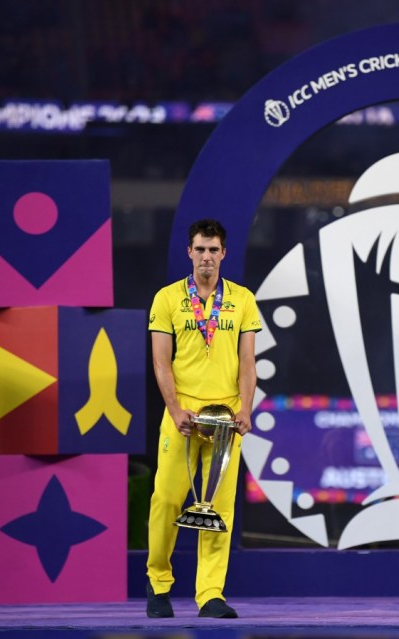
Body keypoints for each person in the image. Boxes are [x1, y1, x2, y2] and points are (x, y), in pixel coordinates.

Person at [145, 218, 262, 619]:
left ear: (224, 254)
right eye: (201, 249)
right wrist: (175, 409)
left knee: (219, 507)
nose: (207, 257)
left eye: (214, 250)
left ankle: (210, 594)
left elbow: (248, 362)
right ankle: (159, 583)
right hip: (184, 413)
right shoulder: (167, 298)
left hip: (227, 417)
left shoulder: (243, 299)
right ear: (189, 252)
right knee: (167, 498)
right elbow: (161, 361)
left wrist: (245, 408)